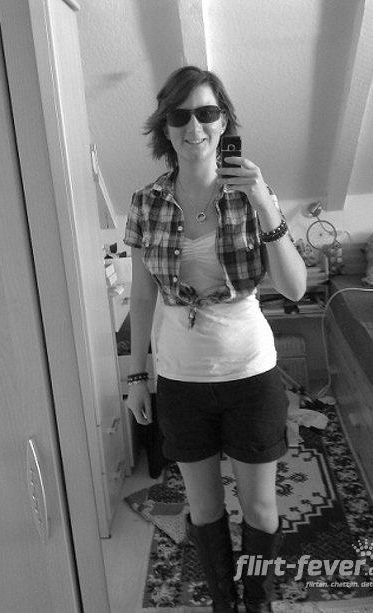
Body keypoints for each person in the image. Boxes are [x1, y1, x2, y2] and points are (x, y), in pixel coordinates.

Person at [123, 66, 307, 613]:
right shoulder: (146, 202)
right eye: (180, 116)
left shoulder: (252, 195)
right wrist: (137, 375)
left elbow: (294, 287)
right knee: (203, 509)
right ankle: (224, 603)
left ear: (223, 121)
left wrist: (265, 203)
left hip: (250, 372)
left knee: (261, 509)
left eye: (206, 113)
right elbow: (141, 296)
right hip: (180, 380)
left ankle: (258, 602)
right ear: (165, 127)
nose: (194, 127)